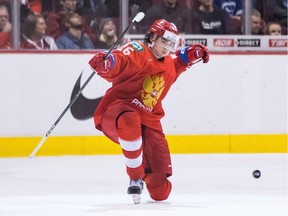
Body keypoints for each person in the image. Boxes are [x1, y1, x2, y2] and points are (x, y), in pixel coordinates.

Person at [88, 19, 209, 204]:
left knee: (160, 192)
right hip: (118, 111)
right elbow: (120, 60)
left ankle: (143, 166)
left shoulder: (168, 63)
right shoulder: (138, 51)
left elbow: (178, 62)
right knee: (129, 119)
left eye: (171, 43)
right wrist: (108, 62)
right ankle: (135, 176)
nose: (167, 48)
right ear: (152, 37)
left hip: (150, 122)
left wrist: (191, 55)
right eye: (164, 42)